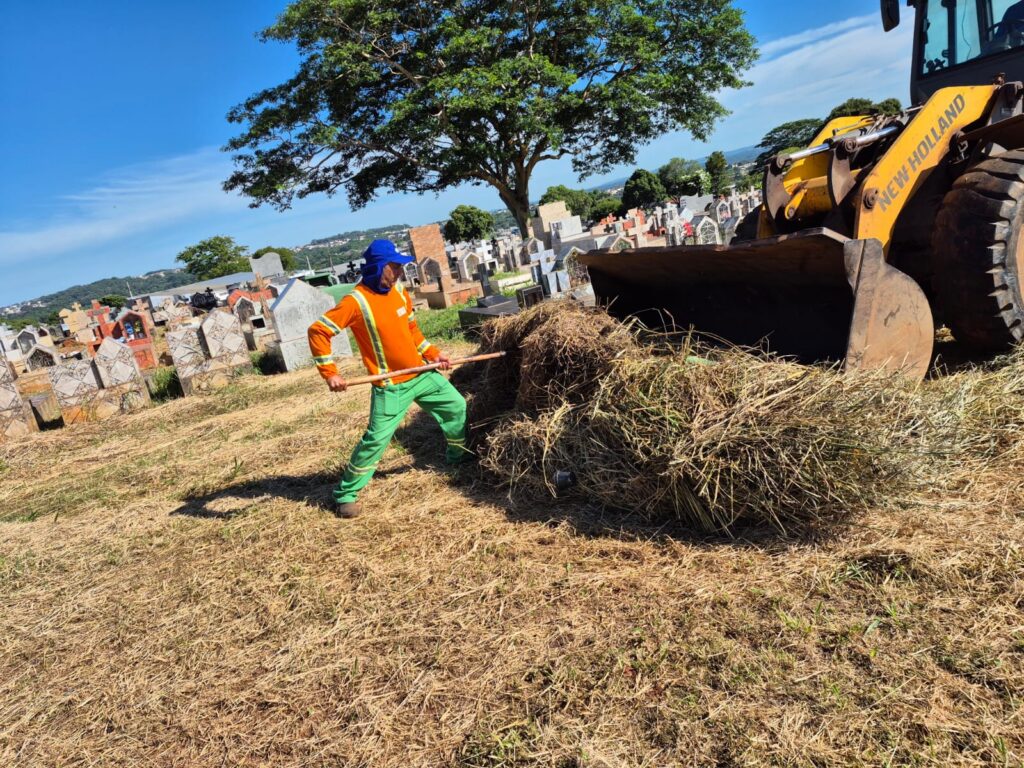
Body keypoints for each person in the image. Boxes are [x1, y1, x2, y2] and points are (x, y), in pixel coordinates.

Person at [307, 239, 468, 518]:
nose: (399, 272)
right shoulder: (355, 302)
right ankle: (346, 494)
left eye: (399, 266)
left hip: (421, 373)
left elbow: (412, 331)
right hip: (391, 384)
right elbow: (318, 331)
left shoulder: (400, 293)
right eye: (393, 267)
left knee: (456, 406)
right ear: (377, 267)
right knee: (377, 439)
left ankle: (458, 458)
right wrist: (330, 373)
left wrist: (433, 354)